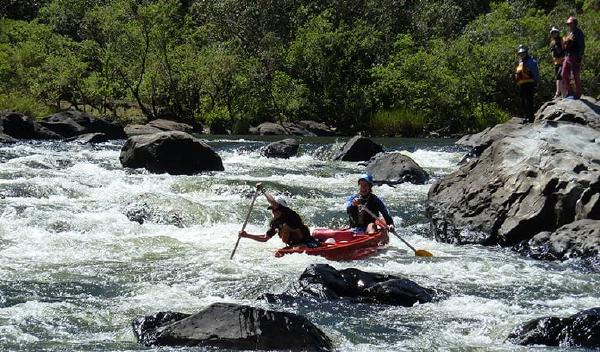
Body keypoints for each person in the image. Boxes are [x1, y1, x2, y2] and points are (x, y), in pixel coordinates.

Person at [238, 184, 318, 248]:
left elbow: (273, 202)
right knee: (284, 228)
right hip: (293, 245)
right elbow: (265, 238)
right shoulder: (275, 223)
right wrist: (247, 235)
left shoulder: (290, 215)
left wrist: (263, 190)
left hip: (306, 242)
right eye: (272, 210)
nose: (273, 211)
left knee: (286, 227)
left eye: (275, 209)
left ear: (281, 209)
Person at [514, 45, 540, 123]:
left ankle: (531, 117)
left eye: (523, 53)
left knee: (529, 101)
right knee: (523, 101)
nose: (522, 55)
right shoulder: (520, 62)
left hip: (529, 83)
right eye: (520, 53)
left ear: (526, 53)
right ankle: (525, 117)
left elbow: (535, 73)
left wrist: (537, 81)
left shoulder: (532, 61)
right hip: (522, 84)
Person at [562, 16, 585, 99]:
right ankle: (570, 91)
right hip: (568, 56)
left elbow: (582, 45)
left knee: (575, 75)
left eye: (570, 23)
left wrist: (579, 57)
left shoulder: (579, 33)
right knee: (564, 74)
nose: (569, 25)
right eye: (568, 24)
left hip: (575, 56)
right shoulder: (570, 33)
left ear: (575, 24)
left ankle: (578, 93)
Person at [549, 26, 566, 98]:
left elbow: (565, 49)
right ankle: (560, 92)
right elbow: (552, 52)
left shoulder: (562, 39)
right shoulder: (552, 42)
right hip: (556, 62)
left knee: (560, 76)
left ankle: (560, 93)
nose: (554, 34)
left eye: (555, 32)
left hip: (563, 61)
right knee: (558, 77)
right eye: (553, 32)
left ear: (558, 33)